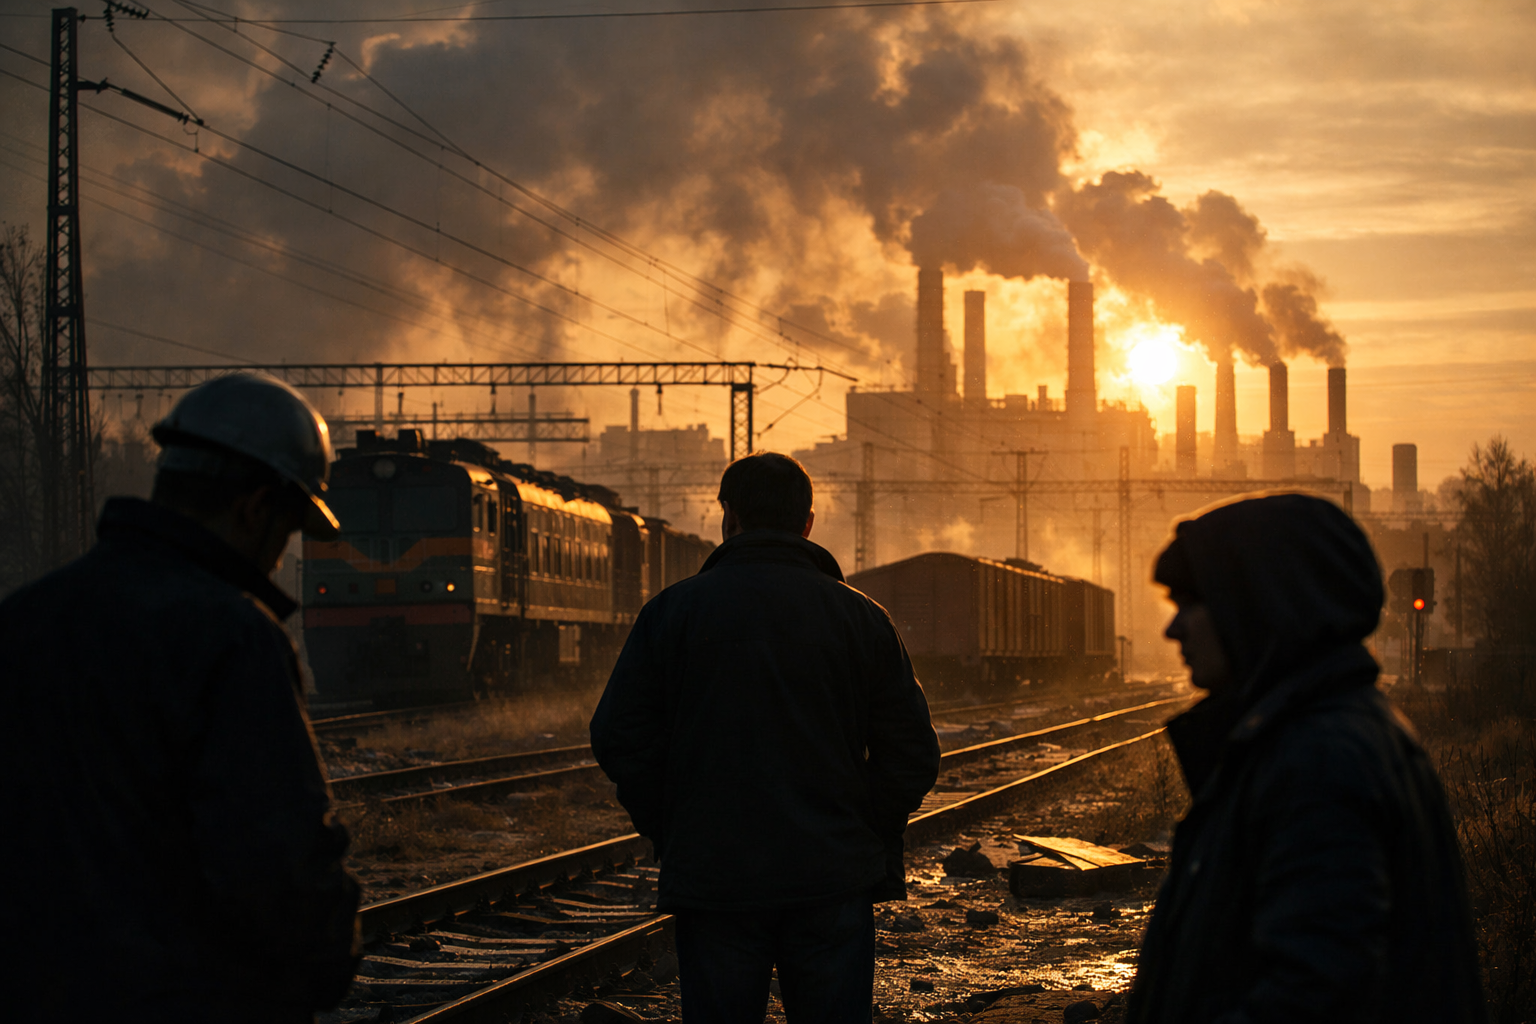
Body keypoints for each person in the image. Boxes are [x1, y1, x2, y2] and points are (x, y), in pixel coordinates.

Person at [2, 373, 361, 1023]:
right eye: (286, 532)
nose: (278, 559)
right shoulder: (231, 637)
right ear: (255, 509)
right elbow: (281, 874)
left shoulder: (23, 619)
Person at [590, 451, 940, 1023]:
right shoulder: (861, 618)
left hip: (715, 876)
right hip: (833, 877)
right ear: (807, 523)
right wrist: (863, 830)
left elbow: (618, 735)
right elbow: (913, 753)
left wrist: (675, 825)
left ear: (728, 517)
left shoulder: (672, 612)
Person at [1128, 493, 1484, 1024]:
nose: (1172, 629)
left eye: (1191, 604)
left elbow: (1315, 993)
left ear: (1257, 606)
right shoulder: (1316, 737)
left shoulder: (1321, 761)